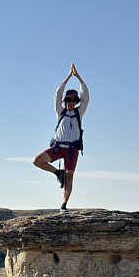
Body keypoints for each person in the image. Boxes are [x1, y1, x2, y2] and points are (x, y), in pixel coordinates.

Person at [33, 64, 89, 211]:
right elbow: (57, 94)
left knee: (70, 177)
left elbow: (86, 95)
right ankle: (58, 173)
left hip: (72, 150)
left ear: (77, 101)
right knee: (37, 161)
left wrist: (78, 78)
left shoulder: (79, 113)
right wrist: (68, 77)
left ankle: (64, 205)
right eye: (68, 100)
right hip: (57, 148)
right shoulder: (60, 111)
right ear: (65, 102)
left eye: (73, 100)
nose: (71, 102)